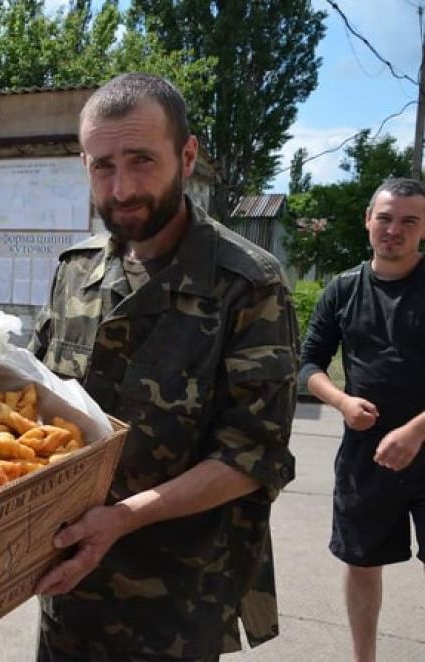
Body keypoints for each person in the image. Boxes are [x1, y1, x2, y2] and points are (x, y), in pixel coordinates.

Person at [29, 73, 299, 660]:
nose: (122, 188)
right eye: (103, 166)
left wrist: (121, 520)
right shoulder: (76, 272)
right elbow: (33, 408)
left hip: (176, 602)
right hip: (68, 586)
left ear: (188, 154)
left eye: (141, 160)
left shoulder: (247, 285)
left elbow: (252, 456)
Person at [300, 177, 425, 662]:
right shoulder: (343, 289)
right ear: (368, 220)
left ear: (422, 229)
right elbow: (309, 363)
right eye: (386, 218)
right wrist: (341, 401)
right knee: (362, 562)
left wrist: (416, 430)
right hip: (364, 455)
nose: (394, 230)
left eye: (408, 221)